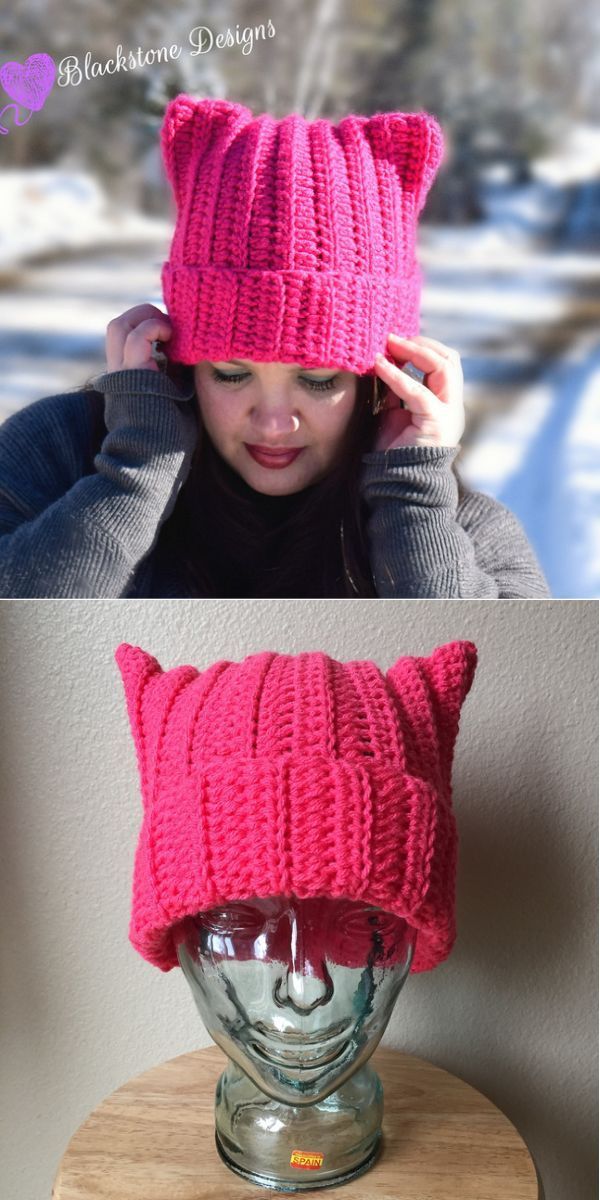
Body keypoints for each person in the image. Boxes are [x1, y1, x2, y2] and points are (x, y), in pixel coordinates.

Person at [0, 96, 549, 598]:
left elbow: (502, 689)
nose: (272, 422)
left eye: (317, 380)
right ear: (182, 357)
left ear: (383, 379)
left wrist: (413, 504)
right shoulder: (59, 454)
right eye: (231, 374)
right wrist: (133, 471)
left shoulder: (462, 531)